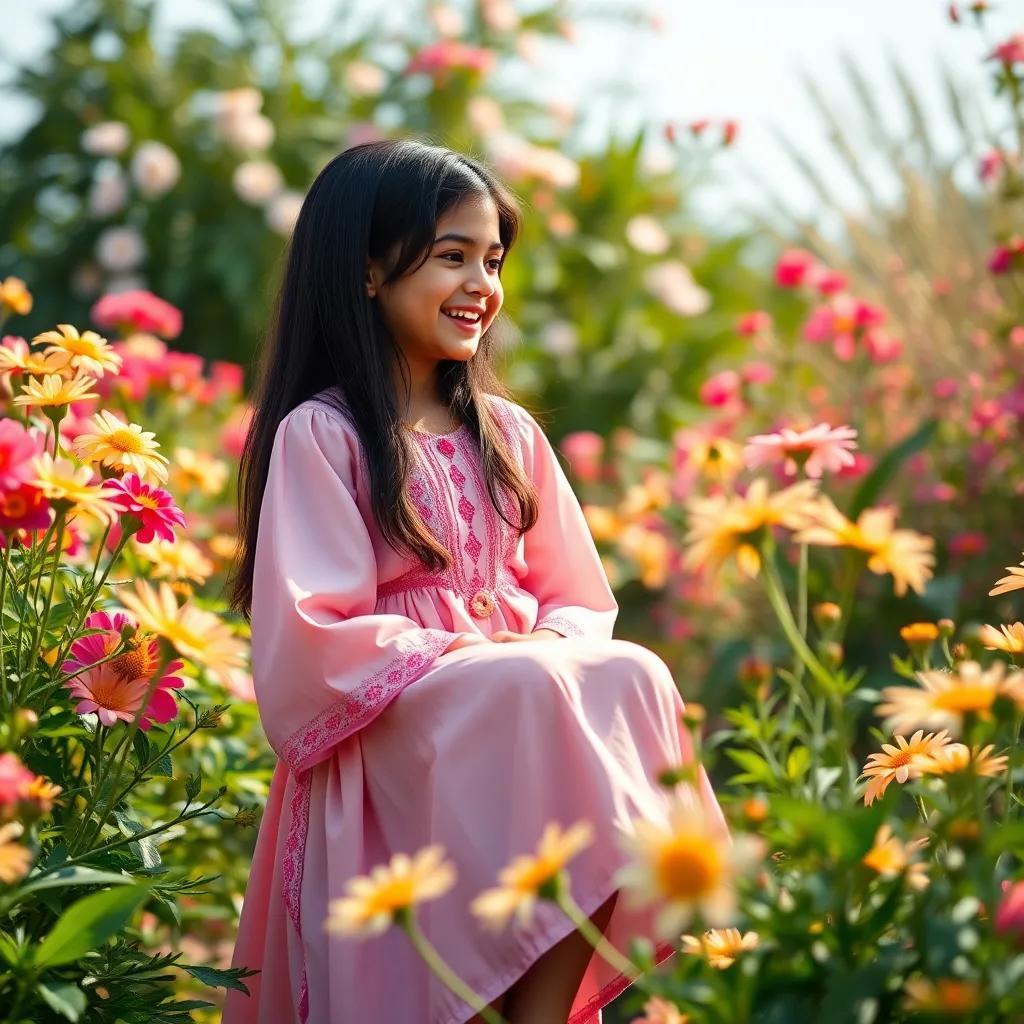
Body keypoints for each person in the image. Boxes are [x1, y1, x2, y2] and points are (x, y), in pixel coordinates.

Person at [221, 138, 724, 1024]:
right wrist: (481, 655)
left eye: (492, 261)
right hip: (399, 728)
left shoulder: (510, 434)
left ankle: (542, 1011)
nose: (481, 285)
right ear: (368, 269)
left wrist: (545, 647)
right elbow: (315, 634)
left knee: (637, 673)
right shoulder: (323, 434)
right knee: (532, 684)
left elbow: (580, 598)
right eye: (452, 256)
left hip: (517, 708)